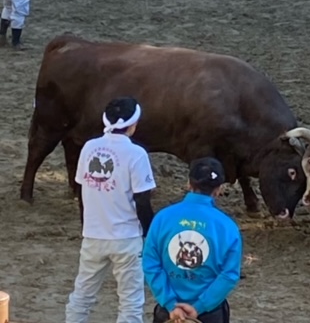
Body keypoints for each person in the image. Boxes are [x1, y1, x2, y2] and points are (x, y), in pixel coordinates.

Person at [65, 96, 157, 323]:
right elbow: (142, 202)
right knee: (130, 302)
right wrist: (150, 232)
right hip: (126, 238)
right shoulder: (137, 155)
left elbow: (82, 191)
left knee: (82, 295)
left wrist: (87, 225)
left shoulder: (88, 148)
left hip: (94, 235)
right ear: (133, 125)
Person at [143, 157, 243, 323]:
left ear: (189, 183)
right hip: (210, 313)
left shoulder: (162, 218)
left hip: (168, 312)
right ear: (219, 189)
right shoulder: (227, 227)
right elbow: (229, 275)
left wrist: (170, 303)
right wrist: (199, 307)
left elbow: (150, 263)